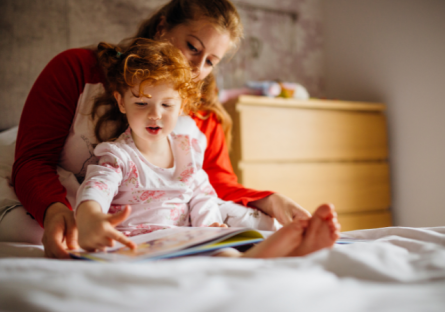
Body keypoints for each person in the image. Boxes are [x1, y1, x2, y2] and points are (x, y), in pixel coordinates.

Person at [7, 0, 312, 259]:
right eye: (193, 47)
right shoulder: (75, 69)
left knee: (249, 218)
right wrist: (54, 211)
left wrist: (272, 201)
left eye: (210, 62)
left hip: (164, 209)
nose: (197, 69)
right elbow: (33, 159)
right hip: (74, 196)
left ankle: (276, 249)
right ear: (162, 28)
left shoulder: (200, 114)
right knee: (39, 227)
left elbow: (213, 182)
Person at [75, 38, 340, 255]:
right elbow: (97, 187)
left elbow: (201, 195)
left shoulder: (185, 148)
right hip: (139, 243)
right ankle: (273, 254)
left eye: (167, 105)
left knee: (222, 249)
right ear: (122, 103)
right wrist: (90, 218)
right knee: (223, 258)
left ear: (181, 105)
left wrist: (209, 227)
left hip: (187, 239)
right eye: (142, 104)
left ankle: (284, 252)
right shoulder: (119, 155)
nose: (155, 114)